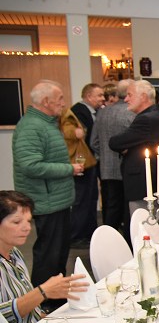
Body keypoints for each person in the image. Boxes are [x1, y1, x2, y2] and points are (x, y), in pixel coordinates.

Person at [12, 81, 82, 311]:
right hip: (46, 200)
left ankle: (56, 298)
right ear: (45, 101)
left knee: (57, 254)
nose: (63, 103)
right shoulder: (32, 127)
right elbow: (30, 165)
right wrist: (68, 169)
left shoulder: (45, 123)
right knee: (48, 255)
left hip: (55, 199)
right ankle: (43, 305)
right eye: (59, 98)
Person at [0, 191, 88, 323]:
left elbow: (30, 312)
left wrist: (49, 321)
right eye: (16, 222)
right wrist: (42, 292)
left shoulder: (14, 253)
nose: (27, 228)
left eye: (29, 221)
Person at [109, 80, 159, 236]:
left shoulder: (147, 119)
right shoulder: (152, 115)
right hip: (145, 182)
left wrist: (128, 147)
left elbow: (115, 142)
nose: (126, 99)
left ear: (143, 97)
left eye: (130, 95)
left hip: (143, 185)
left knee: (143, 230)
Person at [90, 80, 135, 235]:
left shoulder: (103, 112)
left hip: (106, 168)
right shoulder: (132, 113)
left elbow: (94, 142)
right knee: (128, 209)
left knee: (110, 207)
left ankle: (107, 239)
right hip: (128, 168)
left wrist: (105, 154)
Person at [59, 105, 97, 245]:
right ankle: (77, 236)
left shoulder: (67, 113)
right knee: (81, 200)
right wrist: (77, 132)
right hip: (79, 163)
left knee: (87, 199)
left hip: (84, 163)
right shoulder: (68, 114)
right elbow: (72, 132)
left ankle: (85, 233)